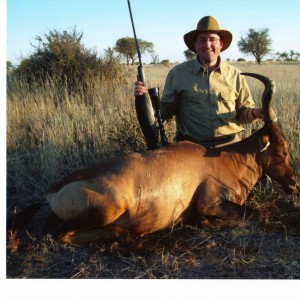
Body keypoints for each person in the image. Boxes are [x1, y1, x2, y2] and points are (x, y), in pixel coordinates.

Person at [134, 16, 265, 148]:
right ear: (195, 45)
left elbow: (243, 114)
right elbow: (165, 112)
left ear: (221, 44)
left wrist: (255, 113)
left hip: (231, 148)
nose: (207, 44)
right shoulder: (178, 73)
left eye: (212, 39)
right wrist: (145, 100)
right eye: (202, 40)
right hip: (192, 150)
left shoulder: (235, 75)